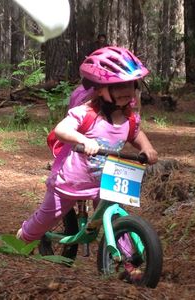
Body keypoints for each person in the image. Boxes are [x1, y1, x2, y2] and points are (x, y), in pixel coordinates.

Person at [17, 46, 158, 243]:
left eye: (130, 85)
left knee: (117, 217)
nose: (126, 91)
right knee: (46, 218)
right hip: (70, 182)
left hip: (106, 183)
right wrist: (83, 140)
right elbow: (61, 130)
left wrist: (147, 148)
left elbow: (135, 134)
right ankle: (22, 240)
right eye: (118, 86)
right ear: (100, 89)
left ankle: (129, 262)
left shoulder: (129, 118)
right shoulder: (86, 113)